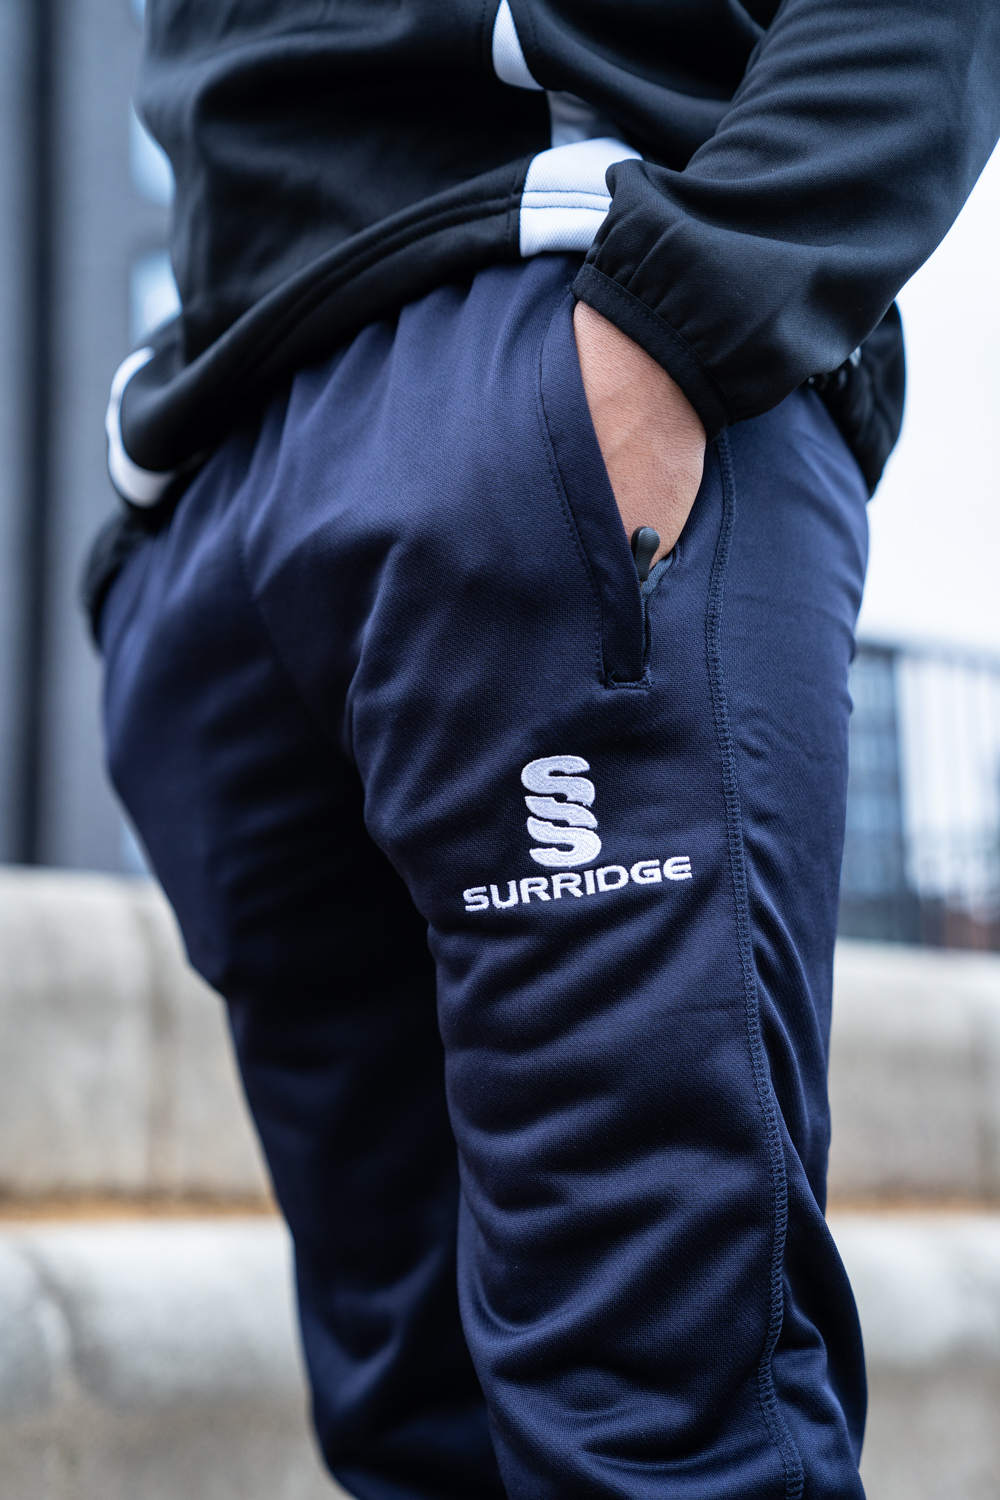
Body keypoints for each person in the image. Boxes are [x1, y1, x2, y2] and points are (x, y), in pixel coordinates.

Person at [88, 3, 1000, 1497]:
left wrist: (698, 299)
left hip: (547, 346)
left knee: (655, 1431)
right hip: (225, 453)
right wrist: (144, 556)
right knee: (413, 1436)